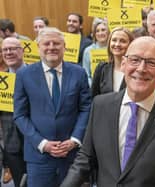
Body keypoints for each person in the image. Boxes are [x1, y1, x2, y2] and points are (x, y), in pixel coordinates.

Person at [60, 36, 155, 187]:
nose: (141, 69)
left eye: (151, 63)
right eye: (135, 60)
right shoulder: (101, 105)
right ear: (123, 64)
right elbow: (85, 159)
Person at [13, 27, 91, 187]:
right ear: (38, 47)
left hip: (72, 156)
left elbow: (86, 108)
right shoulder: (24, 75)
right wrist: (42, 143)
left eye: (56, 43)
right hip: (38, 157)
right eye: (46, 43)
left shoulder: (79, 72)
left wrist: (75, 140)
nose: (51, 47)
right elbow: (20, 115)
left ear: (64, 47)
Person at [0, 37, 27, 187]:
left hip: (37, 141)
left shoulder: (37, 74)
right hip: (12, 143)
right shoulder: (1, 79)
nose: (8, 52)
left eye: (12, 49)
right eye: (5, 49)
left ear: (22, 51)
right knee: (20, 184)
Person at [91, 27, 134, 98]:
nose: (117, 44)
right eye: (114, 40)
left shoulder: (135, 69)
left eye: (122, 41)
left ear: (130, 44)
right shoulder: (101, 68)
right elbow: (94, 97)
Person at [82, 19, 110, 86]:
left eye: (103, 30)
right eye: (97, 31)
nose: (100, 33)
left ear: (108, 32)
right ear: (94, 34)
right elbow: (86, 73)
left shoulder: (113, 49)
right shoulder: (88, 51)